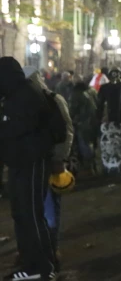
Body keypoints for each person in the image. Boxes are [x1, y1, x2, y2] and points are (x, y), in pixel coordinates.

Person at [0, 57, 60, 281]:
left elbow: (15, 129)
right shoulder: (16, 95)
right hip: (20, 163)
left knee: (31, 215)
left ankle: (45, 268)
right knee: (21, 215)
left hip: (31, 162)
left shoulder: (25, 96)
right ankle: (31, 265)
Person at [24, 67, 74, 255]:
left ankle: (50, 248)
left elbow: (66, 132)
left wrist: (59, 158)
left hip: (48, 162)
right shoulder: (48, 100)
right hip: (35, 163)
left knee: (49, 208)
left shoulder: (51, 100)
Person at [70, 74, 99, 173]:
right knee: (91, 144)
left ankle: (88, 169)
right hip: (93, 123)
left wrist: (71, 120)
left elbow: (72, 110)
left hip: (82, 124)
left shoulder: (76, 94)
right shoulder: (91, 91)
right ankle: (93, 166)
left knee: (83, 145)